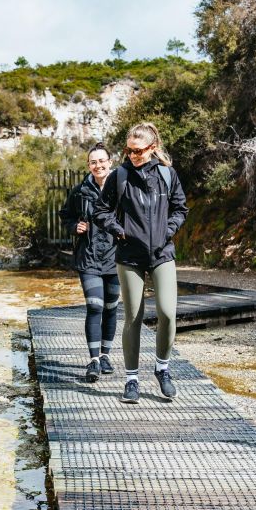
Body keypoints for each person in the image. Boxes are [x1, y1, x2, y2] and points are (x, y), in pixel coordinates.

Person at [93, 123, 188, 403]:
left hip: (162, 254)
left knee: (168, 313)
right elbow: (101, 211)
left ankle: (162, 369)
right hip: (129, 256)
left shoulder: (167, 175)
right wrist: (119, 230)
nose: (133, 155)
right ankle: (131, 379)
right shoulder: (119, 176)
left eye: (138, 151)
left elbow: (180, 208)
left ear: (152, 149)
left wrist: (168, 230)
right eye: (129, 151)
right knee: (133, 317)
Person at [58, 142, 120, 383]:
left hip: (116, 258)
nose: (98, 165)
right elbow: (65, 215)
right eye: (93, 162)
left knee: (111, 308)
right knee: (95, 306)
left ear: (110, 162)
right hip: (89, 257)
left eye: (101, 161)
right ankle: (93, 360)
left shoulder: (121, 187)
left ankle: (106, 355)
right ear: (88, 165)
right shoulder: (80, 191)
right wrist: (76, 227)